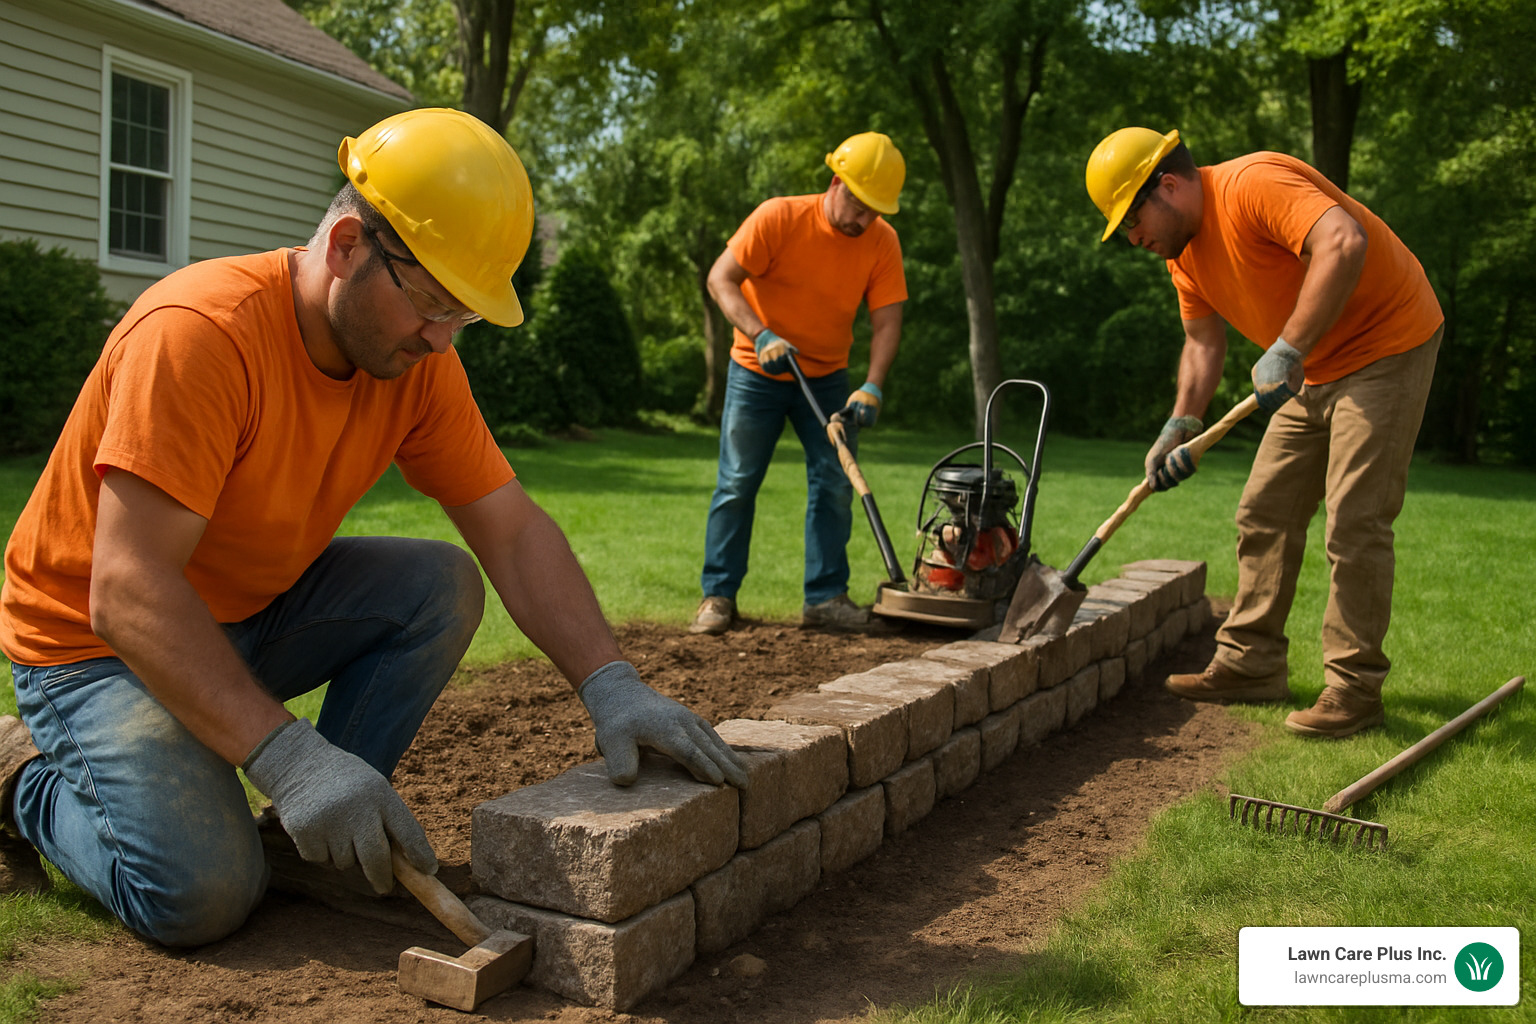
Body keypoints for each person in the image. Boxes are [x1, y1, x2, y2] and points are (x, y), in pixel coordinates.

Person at [0, 108, 746, 939]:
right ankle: (22, 777)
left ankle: (303, 841)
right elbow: (127, 591)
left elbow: (510, 528)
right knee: (200, 896)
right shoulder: (200, 336)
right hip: (94, 651)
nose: (439, 338)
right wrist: (290, 756)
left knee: (439, 584)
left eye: (460, 315)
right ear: (348, 244)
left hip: (243, 613)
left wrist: (611, 682)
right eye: (430, 301)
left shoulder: (415, 364)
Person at [1085, 127, 1443, 739]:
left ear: (1167, 185)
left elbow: (1343, 240)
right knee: (1264, 510)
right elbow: (1202, 342)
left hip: (1387, 344)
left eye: (1130, 219)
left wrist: (1288, 346)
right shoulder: (1185, 258)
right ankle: (1250, 664)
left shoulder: (1254, 184)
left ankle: (1353, 692)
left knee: (1355, 519)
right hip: (1314, 367)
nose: (1131, 237)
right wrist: (1181, 422)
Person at [690, 132, 908, 636]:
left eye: (875, 211)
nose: (863, 219)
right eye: (858, 204)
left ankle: (826, 598)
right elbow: (721, 278)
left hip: (829, 378)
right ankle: (718, 595)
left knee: (834, 484)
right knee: (738, 481)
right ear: (836, 182)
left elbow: (887, 322)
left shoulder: (881, 243)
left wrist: (872, 385)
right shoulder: (779, 217)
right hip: (756, 370)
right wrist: (759, 332)